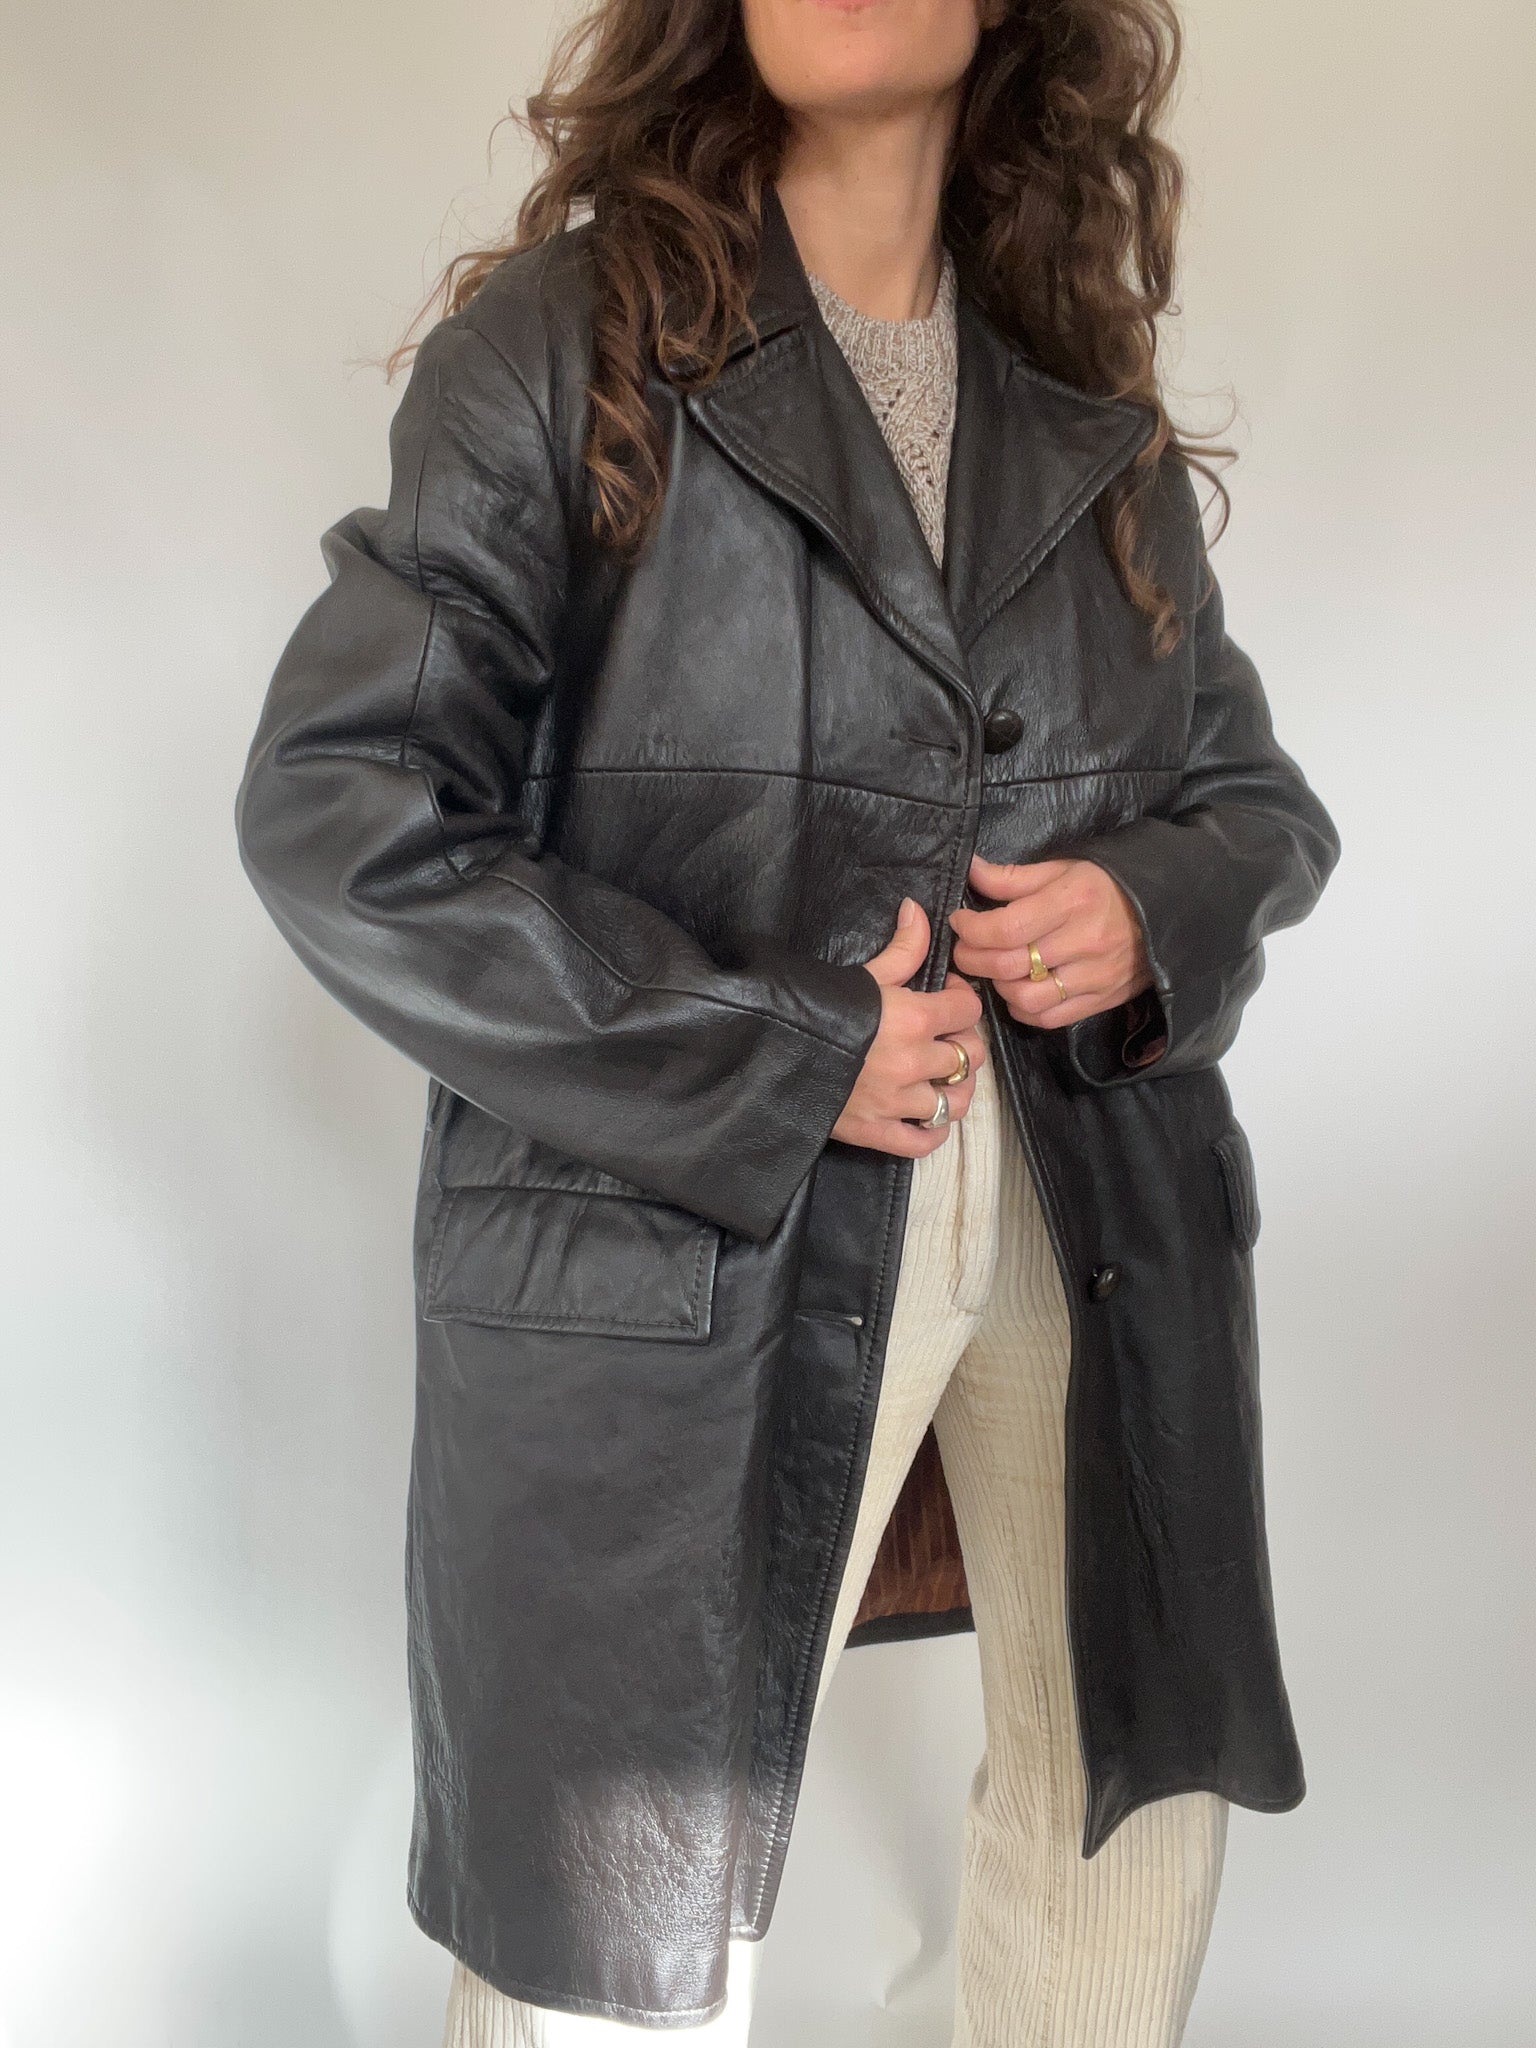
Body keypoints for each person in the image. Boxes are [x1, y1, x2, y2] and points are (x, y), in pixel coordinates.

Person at [236, 0, 1341, 2040]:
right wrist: (775, 1045)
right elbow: (347, 807)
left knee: (1121, 1811)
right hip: (698, 1239)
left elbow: (1255, 804)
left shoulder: (1079, 407)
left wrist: (1149, 904)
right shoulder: (566, 348)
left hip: (1090, 1211)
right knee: (623, 1909)